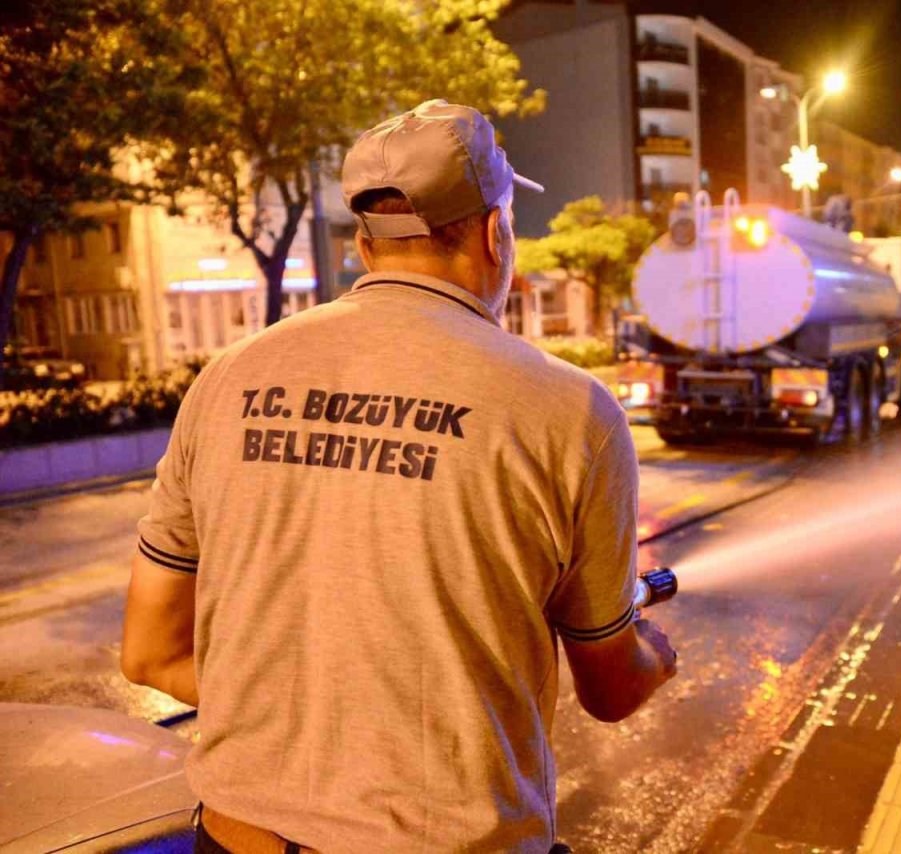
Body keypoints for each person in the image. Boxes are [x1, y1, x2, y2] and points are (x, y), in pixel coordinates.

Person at [121, 100, 678, 854]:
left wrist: (307, 725)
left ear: (363, 242)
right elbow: (610, 690)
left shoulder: (227, 379)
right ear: (495, 232)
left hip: (233, 840)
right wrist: (654, 653)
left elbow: (150, 654)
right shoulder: (571, 410)